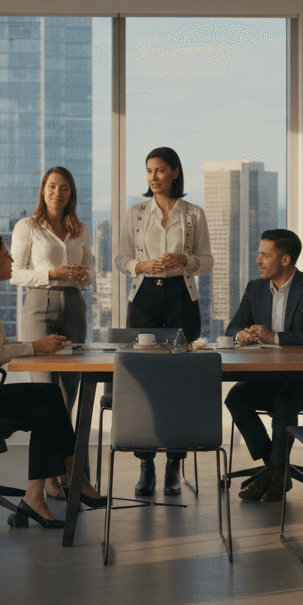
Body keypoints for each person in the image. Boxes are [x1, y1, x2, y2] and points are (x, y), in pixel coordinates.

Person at [0, 231, 108, 528]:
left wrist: (40, 345)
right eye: (6, 255)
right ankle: (68, 478)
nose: (12, 259)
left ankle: (47, 489)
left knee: (47, 403)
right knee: (47, 397)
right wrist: (36, 346)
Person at [114, 146, 213, 496]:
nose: (153, 178)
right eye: (149, 171)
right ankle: (146, 465)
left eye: (159, 171)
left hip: (182, 299)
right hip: (144, 300)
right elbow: (121, 258)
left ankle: (174, 464)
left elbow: (208, 261)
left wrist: (184, 260)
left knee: (180, 382)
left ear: (174, 172)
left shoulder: (193, 214)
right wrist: (142, 266)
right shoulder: (136, 213)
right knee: (144, 382)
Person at [222, 230, 303, 502]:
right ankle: (276, 469)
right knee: (236, 398)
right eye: (259, 254)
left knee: (285, 402)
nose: (258, 260)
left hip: (301, 380)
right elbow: (234, 326)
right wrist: (241, 335)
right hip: (266, 376)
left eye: (265, 255)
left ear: (285, 260)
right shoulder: (255, 288)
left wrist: (275, 337)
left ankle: (274, 472)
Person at [10, 167, 92, 500]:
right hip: (39, 307)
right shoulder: (27, 226)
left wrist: (82, 275)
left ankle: (58, 472)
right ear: (43, 190)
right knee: (46, 395)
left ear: (71, 194)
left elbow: (92, 275)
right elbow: (15, 272)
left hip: (74, 306)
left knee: (68, 397)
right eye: (52, 186)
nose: (58, 192)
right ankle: (54, 477)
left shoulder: (80, 228)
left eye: (65, 188)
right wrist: (53, 272)